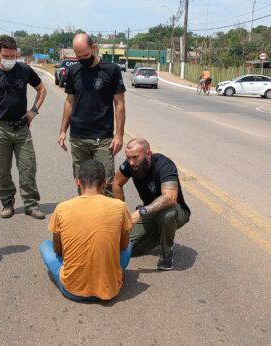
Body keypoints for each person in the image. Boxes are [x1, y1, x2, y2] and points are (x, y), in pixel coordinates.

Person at [41, 160, 132, 301]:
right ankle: (109, 275)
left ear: (77, 181)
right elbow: (123, 246)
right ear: (105, 183)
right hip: (109, 289)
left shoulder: (62, 208)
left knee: (45, 245)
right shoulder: (120, 206)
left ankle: (75, 273)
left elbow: (57, 250)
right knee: (129, 244)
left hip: (73, 290)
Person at [0, 35, 47, 220]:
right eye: (6, 56)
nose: (10, 59)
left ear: (17, 54)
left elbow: (42, 90)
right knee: (2, 169)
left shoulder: (24, 70)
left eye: (13, 56)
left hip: (22, 128)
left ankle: (31, 205)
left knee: (28, 167)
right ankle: (7, 203)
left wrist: (33, 111)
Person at [57, 33, 126, 196]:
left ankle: (106, 212)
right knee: (82, 183)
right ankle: (86, 212)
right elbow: (69, 102)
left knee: (106, 183)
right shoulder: (74, 71)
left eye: (86, 55)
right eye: (78, 56)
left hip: (103, 139)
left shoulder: (112, 70)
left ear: (94, 48)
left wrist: (119, 135)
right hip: (78, 138)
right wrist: (62, 131)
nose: (82, 59)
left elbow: (119, 104)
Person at [113, 138, 191, 271]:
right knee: (125, 247)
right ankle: (159, 235)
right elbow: (117, 183)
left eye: (135, 157)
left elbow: (170, 198)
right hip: (150, 211)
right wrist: (123, 214)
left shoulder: (164, 165)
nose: (131, 162)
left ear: (148, 154)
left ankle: (167, 255)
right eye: (128, 157)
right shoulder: (131, 164)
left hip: (176, 212)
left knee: (167, 214)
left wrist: (141, 212)